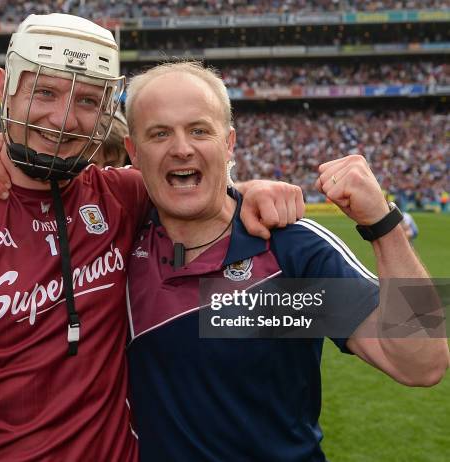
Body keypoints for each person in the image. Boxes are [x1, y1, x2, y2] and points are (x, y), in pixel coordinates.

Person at [0, 14, 303, 461]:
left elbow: (192, 186)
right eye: (44, 91)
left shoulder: (125, 197)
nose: (63, 118)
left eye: (87, 101)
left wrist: (247, 189)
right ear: (3, 88)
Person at [122, 62, 449, 461]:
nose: (182, 148)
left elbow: (423, 363)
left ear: (229, 144)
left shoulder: (290, 252)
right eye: (160, 133)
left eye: (199, 130)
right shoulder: (114, 248)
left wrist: (384, 224)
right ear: (133, 153)